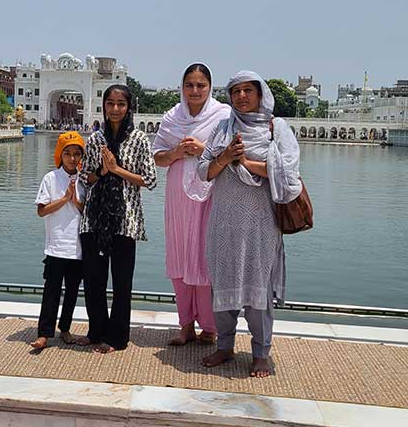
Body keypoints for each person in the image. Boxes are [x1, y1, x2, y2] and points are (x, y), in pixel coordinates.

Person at [197, 70, 302, 378]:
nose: (241, 96)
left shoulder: (276, 128)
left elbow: (288, 174)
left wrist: (243, 162)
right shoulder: (222, 128)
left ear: (260, 94)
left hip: (260, 225)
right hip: (224, 223)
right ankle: (224, 346)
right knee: (223, 286)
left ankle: (261, 353)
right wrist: (225, 157)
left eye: (248, 90)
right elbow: (203, 171)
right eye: (236, 91)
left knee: (258, 292)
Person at [152, 63, 230, 346]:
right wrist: (176, 152)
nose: (195, 91)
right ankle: (185, 324)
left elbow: (231, 155)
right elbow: (157, 157)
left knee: (204, 257)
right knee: (179, 256)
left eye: (201, 85)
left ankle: (209, 326)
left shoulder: (223, 116)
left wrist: (202, 150)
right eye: (189, 85)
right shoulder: (172, 117)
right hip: (177, 196)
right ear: (182, 87)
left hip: (209, 194)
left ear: (210, 87)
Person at [78, 84, 157, 353]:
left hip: (125, 219)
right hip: (94, 218)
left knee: (122, 283)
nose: (115, 109)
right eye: (110, 103)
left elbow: (149, 180)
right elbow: (85, 177)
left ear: (128, 107)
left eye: (121, 104)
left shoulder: (139, 139)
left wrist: (116, 169)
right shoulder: (95, 139)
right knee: (94, 280)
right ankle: (96, 331)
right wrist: (102, 171)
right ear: (103, 106)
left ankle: (117, 338)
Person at [30, 131, 87, 349]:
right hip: (56, 247)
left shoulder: (85, 180)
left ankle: (65, 329)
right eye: (67, 153)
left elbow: (86, 212)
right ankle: (44, 333)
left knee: (72, 292)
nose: (72, 158)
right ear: (60, 155)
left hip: (77, 247)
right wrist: (64, 198)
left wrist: (76, 200)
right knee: (51, 292)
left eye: (76, 154)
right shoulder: (51, 178)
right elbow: (42, 211)